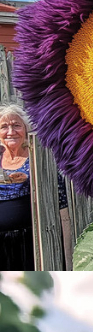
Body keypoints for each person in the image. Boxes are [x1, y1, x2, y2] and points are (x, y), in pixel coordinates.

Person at [0, 103, 34, 271]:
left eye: (16, 125)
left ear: (26, 129)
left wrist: (29, 179)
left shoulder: (36, 158)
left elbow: (60, 201)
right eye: (4, 127)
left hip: (30, 241)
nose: (11, 132)